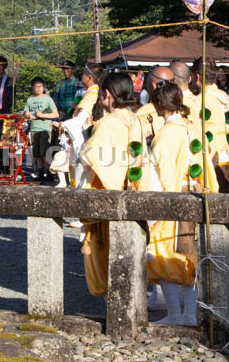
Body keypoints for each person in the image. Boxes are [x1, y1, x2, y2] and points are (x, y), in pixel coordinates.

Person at [79, 71, 153, 299]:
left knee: (109, 256)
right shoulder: (136, 120)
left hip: (110, 194)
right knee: (129, 254)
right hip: (133, 188)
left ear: (107, 94)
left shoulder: (107, 123)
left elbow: (90, 157)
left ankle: (118, 302)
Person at [147, 82, 216, 325]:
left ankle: (178, 314)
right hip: (192, 193)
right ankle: (188, 314)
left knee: (164, 255)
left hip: (172, 198)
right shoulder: (190, 126)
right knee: (188, 258)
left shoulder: (167, 133)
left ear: (159, 105)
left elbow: (158, 171)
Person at [191, 56, 229, 239]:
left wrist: (208, 158)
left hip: (210, 165)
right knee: (224, 218)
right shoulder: (224, 97)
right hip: (225, 160)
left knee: (212, 218)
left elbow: (204, 135)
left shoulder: (200, 101)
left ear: (197, 76)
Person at [53, 64, 102, 190]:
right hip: (88, 137)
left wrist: (61, 124)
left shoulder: (91, 96)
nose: (81, 78)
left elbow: (81, 120)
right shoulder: (92, 94)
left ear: (89, 78)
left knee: (83, 180)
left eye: (83, 76)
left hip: (85, 139)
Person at [22, 77, 59, 182]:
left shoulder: (48, 99)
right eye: (35, 86)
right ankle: (40, 172)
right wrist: (28, 115)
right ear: (32, 88)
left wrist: (43, 115)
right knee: (37, 153)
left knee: (45, 152)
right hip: (34, 129)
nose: (38, 89)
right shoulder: (30, 100)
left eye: (40, 86)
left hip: (45, 128)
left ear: (43, 87)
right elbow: (26, 113)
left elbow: (55, 114)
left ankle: (50, 173)